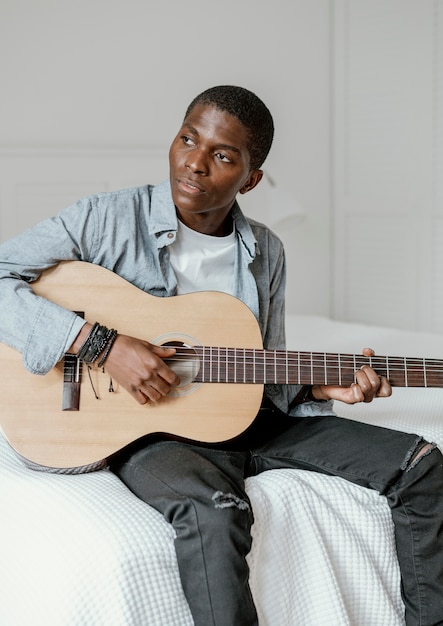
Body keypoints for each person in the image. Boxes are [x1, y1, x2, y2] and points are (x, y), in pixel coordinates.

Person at [0, 85, 441, 626]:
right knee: (217, 514)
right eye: (188, 139)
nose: (194, 163)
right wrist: (101, 344)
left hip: (249, 421)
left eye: (223, 156)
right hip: (155, 433)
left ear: (250, 179)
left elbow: (263, 367)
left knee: (421, 466)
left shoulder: (266, 251)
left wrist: (315, 387)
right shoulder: (104, 219)